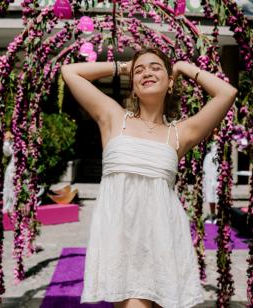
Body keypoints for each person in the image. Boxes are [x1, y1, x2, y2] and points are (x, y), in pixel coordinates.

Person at [61, 47, 237, 308]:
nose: (146, 72)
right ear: (133, 84)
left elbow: (227, 93)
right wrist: (124, 67)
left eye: (155, 68)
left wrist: (184, 67)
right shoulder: (113, 117)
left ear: (170, 82)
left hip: (164, 239)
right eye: (139, 70)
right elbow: (70, 72)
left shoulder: (180, 133)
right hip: (122, 240)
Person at [202, 128, 220, 224]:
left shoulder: (222, 137)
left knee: (217, 187)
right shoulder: (209, 137)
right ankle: (212, 214)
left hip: (217, 163)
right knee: (209, 188)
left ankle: (219, 214)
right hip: (209, 163)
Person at [2, 131, 15, 212]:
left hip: (21, 169)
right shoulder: (12, 140)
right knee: (9, 191)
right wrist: (6, 140)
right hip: (12, 170)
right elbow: (7, 153)